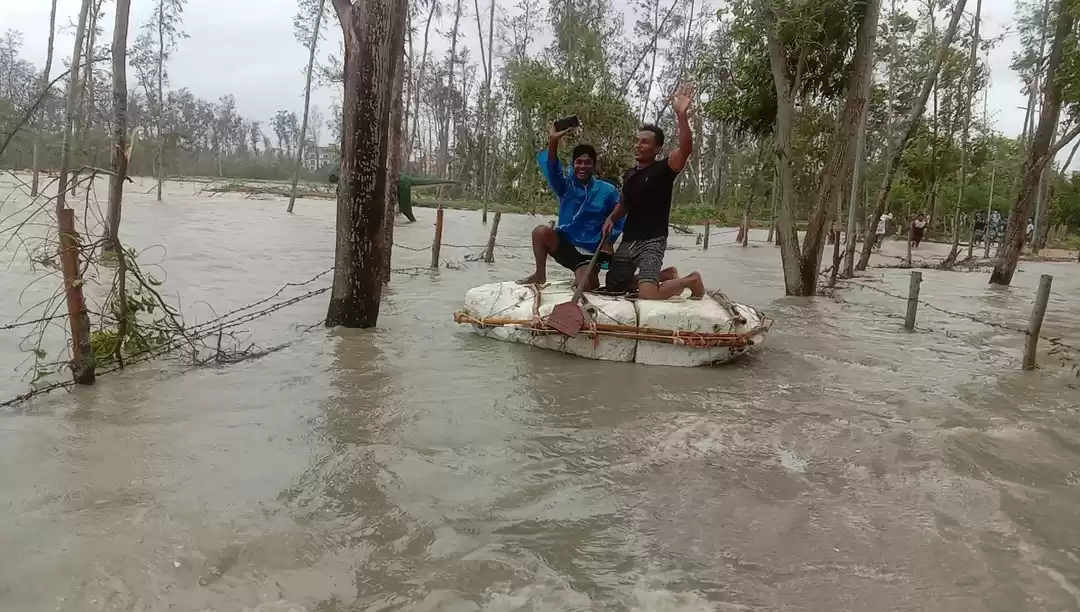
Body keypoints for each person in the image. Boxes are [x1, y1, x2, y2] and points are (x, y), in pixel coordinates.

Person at [602, 84, 705, 300]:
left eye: (645, 143)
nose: (638, 145)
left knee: (647, 294)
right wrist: (611, 218)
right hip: (629, 240)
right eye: (637, 141)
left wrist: (681, 115)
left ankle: (691, 280)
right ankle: (667, 275)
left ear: (657, 149)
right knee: (614, 287)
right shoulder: (630, 174)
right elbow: (624, 203)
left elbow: (686, 149)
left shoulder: (664, 169)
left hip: (652, 240)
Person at [516, 124, 623, 291]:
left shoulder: (608, 190)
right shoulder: (565, 186)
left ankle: (584, 276)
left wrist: (609, 241)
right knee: (540, 232)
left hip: (590, 252)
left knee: (586, 285)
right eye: (578, 162)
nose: (582, 167)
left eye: (587, 163)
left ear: (594, 166)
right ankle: (539, 274)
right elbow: (553, 170)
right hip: (567, 246)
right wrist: (553, 141)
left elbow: (621, 215)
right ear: (573, 164)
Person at [329, 163, 456, 222]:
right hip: (386, 184)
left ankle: (412, 222)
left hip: (402, 183)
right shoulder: (348, 170)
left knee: (406, 210)